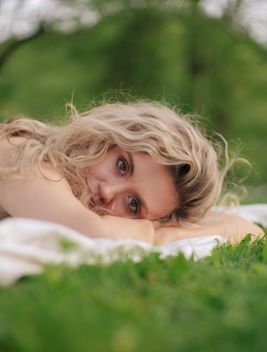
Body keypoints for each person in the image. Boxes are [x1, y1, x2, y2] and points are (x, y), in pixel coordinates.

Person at [0, 101, 263, 245]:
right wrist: (159, 235)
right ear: (105, 138)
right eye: (122, 166)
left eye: (133, 204)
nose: (107, 192)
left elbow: (249, 230)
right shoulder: (23, 155)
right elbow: (93, 234)